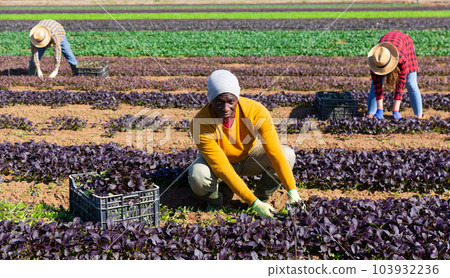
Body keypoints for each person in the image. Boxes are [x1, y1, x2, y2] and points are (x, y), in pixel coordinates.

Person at [188, 69, 303, 218]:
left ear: (237, 98)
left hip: (249, 155)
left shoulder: (256, 112)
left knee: (287, 155)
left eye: (230, 102)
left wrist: (292, 191)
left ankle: (263, 198)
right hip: (218, 162)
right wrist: (252, 202)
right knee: (198, 176)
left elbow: (275, 153)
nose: (225, 109)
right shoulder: (200, 123)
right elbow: (222, 167)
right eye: (219, 102)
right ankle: (216, 202)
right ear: (210, 99)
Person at [367, 30, 424, 120]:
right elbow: (377, 86)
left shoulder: (402, 60)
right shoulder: (376, 60)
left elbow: (400, 85)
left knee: (411, 83)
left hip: (405, 44)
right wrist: (380, 109)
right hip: (388, 43)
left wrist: (395, 110)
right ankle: (371, 113)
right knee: (374, 86)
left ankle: (419, 115)